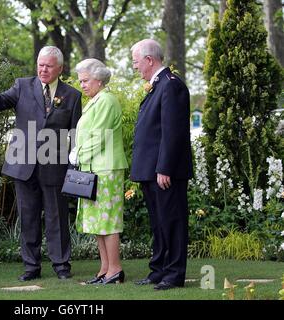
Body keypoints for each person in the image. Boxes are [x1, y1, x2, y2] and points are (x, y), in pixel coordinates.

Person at [0, 46, 82, 281]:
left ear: (60, 68)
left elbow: (76, 134)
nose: (43, 69)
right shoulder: (22, 86)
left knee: (57, 217)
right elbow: (1, 100)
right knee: (28, 217)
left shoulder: (72, 95)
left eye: (48, 65)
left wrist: (73, 165)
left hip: (54, 166)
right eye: (40, 64)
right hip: (23, 165)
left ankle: (61, 266)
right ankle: (31, 267)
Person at [130, 39, 193, 290]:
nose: (135, 67)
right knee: (158, 223)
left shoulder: (171, 86)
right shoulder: (158, 86)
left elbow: (173, 132)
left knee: (173, 222)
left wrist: (164, 168)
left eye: (136, 62)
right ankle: (158, 269)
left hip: (165, 171)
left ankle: (174, 274)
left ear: (149, 60)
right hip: (151, 170)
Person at [70, 58, 128, 284]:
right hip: (95, 167)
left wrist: (78, 154)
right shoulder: (96, 100)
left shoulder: (106, 100)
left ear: (99, 79)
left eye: (85, 80)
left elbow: (100, 136)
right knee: (97, 220)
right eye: (80, 81)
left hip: (107, 167)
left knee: (108, 219)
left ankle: (115, 269)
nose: (82, 85)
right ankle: (105, 268)